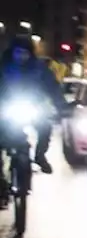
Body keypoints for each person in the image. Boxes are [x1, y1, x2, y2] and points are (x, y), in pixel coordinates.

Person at [0, 34, 66, 175]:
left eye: (25, 53)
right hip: (5, 109)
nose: (21, 56)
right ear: (12, 52)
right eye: (18, 52)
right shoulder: (3, 66)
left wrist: (62, 106)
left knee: (45, 127)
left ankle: (40, 156)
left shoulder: (39, 69)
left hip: (33, 107)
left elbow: (53, 88)